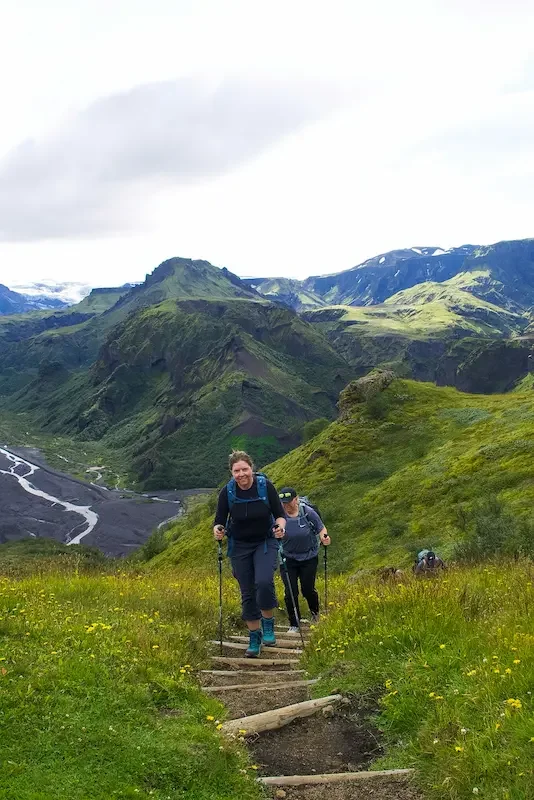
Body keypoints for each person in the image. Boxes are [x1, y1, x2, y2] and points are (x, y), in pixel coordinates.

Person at [213, 450, 286, 658]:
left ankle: (268, 624)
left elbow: (280, 515)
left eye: (245, 469)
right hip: (240, 546)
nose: (241, 474)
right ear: (231, 472)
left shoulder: (265, 487)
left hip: (265, 542)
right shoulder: (227, 492)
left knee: (263, 582)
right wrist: (218, 529)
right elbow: (219, 518)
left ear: (252, 468)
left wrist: (281, 528)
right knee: (247, 591)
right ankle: (254, 636)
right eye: (237, 471)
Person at [278, 487, 330, 633]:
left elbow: (321, 528)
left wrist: (324, 538)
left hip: (309, 557)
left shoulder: (307, 512)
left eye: (288, 502)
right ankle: (294, 623)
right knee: (290, 592)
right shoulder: (279, 515)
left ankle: (315, 614)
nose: (286, 505)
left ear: (296, 499)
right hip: (287, 557)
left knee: (307, 589)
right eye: (283, 503)